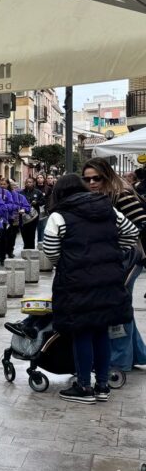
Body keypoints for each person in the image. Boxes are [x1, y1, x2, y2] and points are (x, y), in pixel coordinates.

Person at [41, 174, 137, 404]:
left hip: (76, 282)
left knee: (81, 331)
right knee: (101, 330)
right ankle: (102, 385)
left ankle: (84, 387)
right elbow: (131, 233)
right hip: (108, 278)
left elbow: (51, 249)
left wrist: (65, 264)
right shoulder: (108, 209)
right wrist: (111, 253)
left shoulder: (58, 215)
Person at [82, 158, 146, 372]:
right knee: (122, 304)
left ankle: (119, 361)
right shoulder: (103, 195)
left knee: (117, 306)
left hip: (127, 257)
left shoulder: (121, 194)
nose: (91, 182)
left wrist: (114, 242)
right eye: (87, 179)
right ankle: (137, 354)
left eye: (96, 178)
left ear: (107, 175)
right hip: (116, 258)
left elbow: (141, 224)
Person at [19, 176, 46, 250]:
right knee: (24, 233)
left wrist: (36, 202)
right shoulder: (21, 192)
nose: (28, 184)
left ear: (33, 183)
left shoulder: (38, 192)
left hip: (33, 217)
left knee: (31, 233)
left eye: (30, 182)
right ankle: (25, 247)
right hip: (23, 217)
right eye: (27, 182)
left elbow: (43, 201)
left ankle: (31, 249)